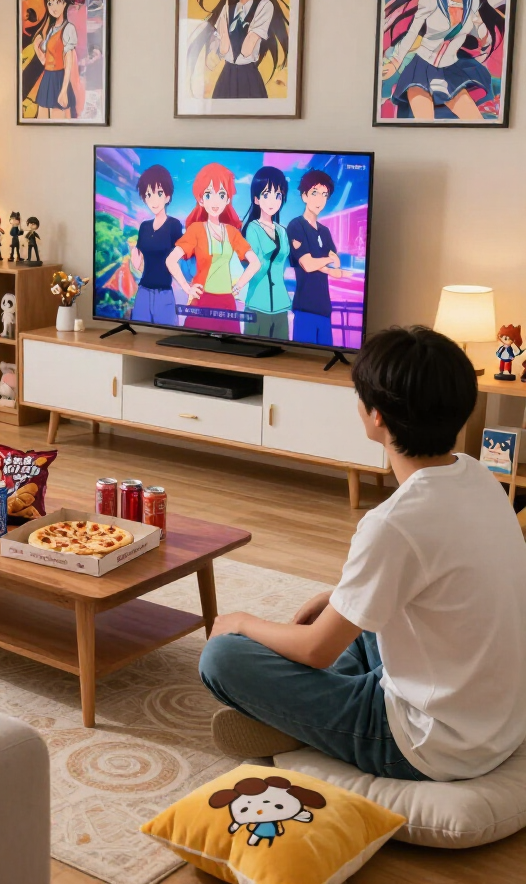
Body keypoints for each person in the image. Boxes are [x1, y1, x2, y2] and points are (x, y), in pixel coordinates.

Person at [199, 327, 526, 782]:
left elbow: (316, 650)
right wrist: (340, 596)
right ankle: (309, 715)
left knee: (221, 657)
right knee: (357, 619)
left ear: (376, 415)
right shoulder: (477, 474)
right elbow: (437, 574)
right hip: (497, 720)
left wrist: (240, 622)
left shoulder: (393, 523)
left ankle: (302, 725)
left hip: (433, 743)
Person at [381, 0, 504, 121]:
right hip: (421, 70)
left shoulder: (472, 0)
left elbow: (476, 27)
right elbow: (413, 31)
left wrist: (485, 39)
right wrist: (395, 62)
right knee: (424, 125)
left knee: (475, 122)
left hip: (451, 70)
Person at [185, 0, 290, 100]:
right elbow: (224, 49)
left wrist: (229, 31)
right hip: (227, 74)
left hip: (248, 75)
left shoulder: (264, 6)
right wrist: (222, 32)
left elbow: (247, 50)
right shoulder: (227, 9)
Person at [165, 162, 261, 335]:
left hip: (227, 302)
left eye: (221, 194)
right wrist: (187, 288)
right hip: (202, 300)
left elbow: (255, 263)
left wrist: (239, 286)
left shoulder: (232, 232)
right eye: (209, 194)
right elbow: (171, 260)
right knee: (195, 342)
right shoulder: (196, 230)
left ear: (228, 199)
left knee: (230, 345)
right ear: (201, 199)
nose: (216, 201)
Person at [286, 170, 348, 346]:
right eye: (314, 193)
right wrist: (328, 261)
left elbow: (335, 261)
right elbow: (308, 264)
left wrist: (329, 263)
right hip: (305, 308)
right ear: (304, 196)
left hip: (324, 309)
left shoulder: (325, 231)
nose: (320, 199)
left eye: (324, 195)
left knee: (326, 352)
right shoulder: (296, 225)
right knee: (303, 356)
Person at [241, 165, 293, 340]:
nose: (272, 201)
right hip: (257, 304)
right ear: (256, 199)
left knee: (281, 349)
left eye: (277, 195)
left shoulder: (282, 231)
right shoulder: (252, 228)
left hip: (281, 304)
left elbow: (283, 265)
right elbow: (257, 265)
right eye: (266, 195)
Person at [129, 164, 183, 327]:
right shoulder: (144, 226)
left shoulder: (174, 225)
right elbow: (138, 263)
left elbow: (180, 258)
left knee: (168, 333)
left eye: (159, 193)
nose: (154, 200)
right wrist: (133, 257)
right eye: (148, 194)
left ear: (167, 196)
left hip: (164, 293)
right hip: (143, 292)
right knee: (139, 334)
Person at [30, 0, 78, 119]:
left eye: (58, 1)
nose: (53, 7)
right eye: (50, 3)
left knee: (58, 120)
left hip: (59, 78)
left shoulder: (68, 28)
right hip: (47, 77)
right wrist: (36, 47)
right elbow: (44, 61)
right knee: (41, 120)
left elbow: (68, 61)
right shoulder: (51, 30)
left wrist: (64, 90)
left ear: (65, 2)